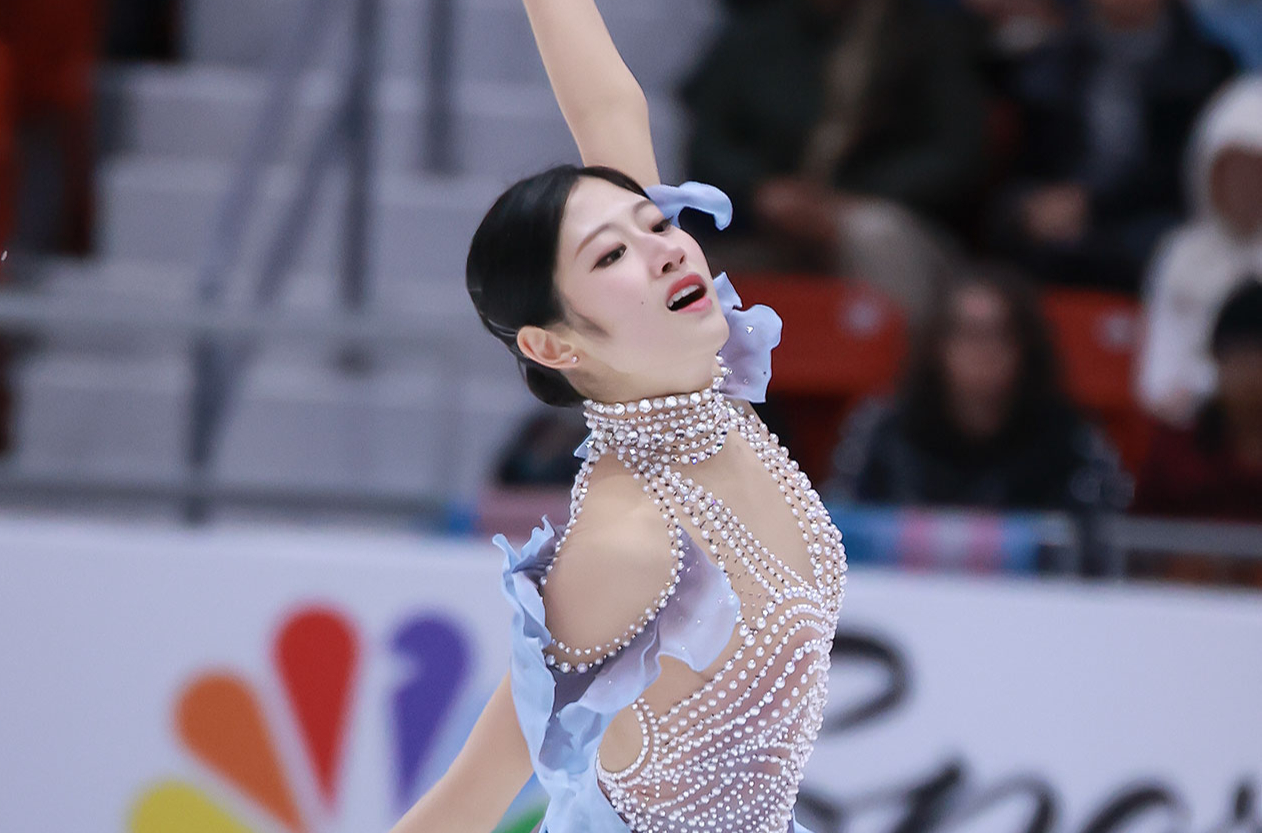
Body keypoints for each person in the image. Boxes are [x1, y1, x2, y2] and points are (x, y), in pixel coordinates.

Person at [390, 2, 847, 832]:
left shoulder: (696, 375)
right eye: (610, 255)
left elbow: (608, 107)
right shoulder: (631, 541)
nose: (667, 247)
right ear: (552, 344)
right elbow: (470, 798)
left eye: (657, 221)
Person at [680, 0, 989, 314]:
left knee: (873, 233)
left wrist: (844, 201)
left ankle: (892, 346)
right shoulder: (755, 35)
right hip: (761, 220)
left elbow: (956, 154)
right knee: (682, 257)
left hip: (893, 220)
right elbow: (707, 144)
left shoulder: (924, 35)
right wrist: (760, 189)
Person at [828, 264, 1127, 511]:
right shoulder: (882, 429)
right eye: (968, 333)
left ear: (1027, 347)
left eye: (1000, 334)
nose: (984, 351)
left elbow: (1104, 534)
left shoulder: (1071, 438)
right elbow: (839, 523)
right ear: (936, 345)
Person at [989, 0, 1236, 292]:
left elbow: (1188, 170)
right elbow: (1030, 157)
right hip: (1064, 207)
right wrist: (1034, 204)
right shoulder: (1050, 61)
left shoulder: (1207, 67)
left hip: (1156, 213)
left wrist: (1091, 202)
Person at [1136, 76, 1262, 426]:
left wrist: (1207, 386)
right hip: (1190, 433)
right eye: (1232, 171)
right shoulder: (1181, 253)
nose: (1244, 186)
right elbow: (1158, 377)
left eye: (1256, 172)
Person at [1135, 280, 1262, 523]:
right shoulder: (1175, 456)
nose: (1253, 377)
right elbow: (1139, 536)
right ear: (1217, 360)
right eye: (1242, 360)